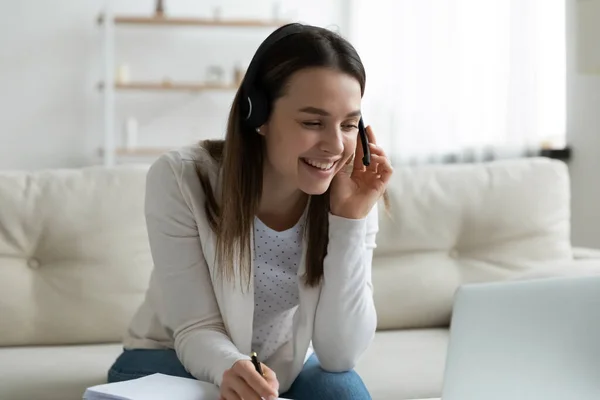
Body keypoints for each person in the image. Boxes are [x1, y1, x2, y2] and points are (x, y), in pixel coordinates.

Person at [107, 22, 393, 400]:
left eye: (348, 125)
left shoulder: (350, 191)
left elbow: (339, 356)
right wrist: (234, 369)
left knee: (343, 390)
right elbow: (196, 327)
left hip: (278, 367)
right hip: (169, 354)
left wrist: (350, 221)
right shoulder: (181, 178)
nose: (335, 145)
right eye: (312, 122)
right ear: (257, 114)